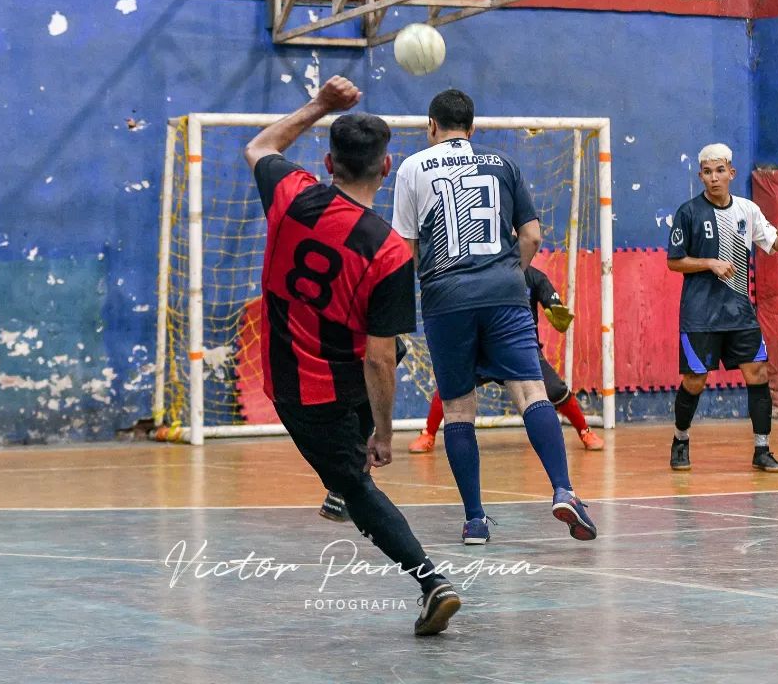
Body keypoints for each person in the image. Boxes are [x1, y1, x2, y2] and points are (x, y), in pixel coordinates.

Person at [243, 75, 460, 636]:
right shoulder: (389, 250)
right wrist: (384, 432)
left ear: (327, 160)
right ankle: (346, 477)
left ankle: (431, 581)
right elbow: (380, 360)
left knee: (359, 488)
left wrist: (319, 103)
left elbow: (260, 147)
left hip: (299, 386)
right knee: (391, 346)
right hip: (349, 382)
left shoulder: (293, 196)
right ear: (386, 169)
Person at [391, 88, 597, 545]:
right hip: (504, 291)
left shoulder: (411, 168)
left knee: (459, 409)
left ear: (431, 127)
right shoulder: (502, 163)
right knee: (530, 392)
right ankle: (563, 489)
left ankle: (475, 520)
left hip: (446, 298)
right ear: (473, 128)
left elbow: (403, 250)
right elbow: (532, 234)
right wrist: (509, 275)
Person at [666, 143, 778, 473]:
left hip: (740, 313)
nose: (714, 178)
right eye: (708, 172)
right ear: (701, 176)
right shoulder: (688, 212)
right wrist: (709, 262)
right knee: (695, 380)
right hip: (700, 315)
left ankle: (762, 450)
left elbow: (775, 245)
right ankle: (680, 440)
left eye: (720, 171)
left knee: (758, 374)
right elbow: (674, 262)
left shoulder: (748, 210)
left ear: (731, 173)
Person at [408, 266, 604, 453]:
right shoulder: (483, 275)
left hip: (521, 351)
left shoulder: (536, 277)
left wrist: (559, 316)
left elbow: (556, 308)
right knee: (451, 384)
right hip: (481, 350)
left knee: (555, 389)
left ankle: (584, 431)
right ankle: (428, 434)